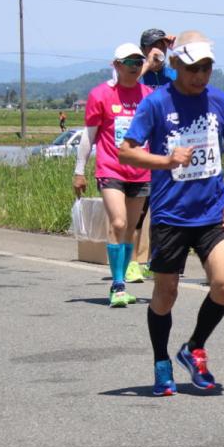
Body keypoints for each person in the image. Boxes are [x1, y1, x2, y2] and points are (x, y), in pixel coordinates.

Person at [118, 31, 224, 397]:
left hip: (213, 212)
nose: (200, 76)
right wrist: (164, 160)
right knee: (166, 293)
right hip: (171, 215)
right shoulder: (157, 104)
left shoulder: (222, 103)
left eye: (207, 68)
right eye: (193, 68)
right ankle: (161, 360)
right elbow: (126, 151)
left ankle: (194, 348)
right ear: (175, 65)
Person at [74, 43, 155, 308]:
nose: (134, 68)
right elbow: (89, 136)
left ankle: (123, 279)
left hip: (141, 171)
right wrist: (79, 170)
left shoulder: (149, 95)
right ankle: (117, 284)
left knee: (131, 229)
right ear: (116, 65)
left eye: (138, 63)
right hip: (110, 168)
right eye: (128, 63)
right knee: (118, 223)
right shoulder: (101, 95)